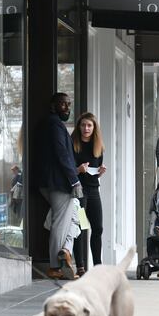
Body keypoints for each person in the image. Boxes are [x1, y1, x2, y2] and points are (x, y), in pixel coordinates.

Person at [36, 92, 84, 280]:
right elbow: (61, 154)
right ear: (53, 106)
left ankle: (66, 251)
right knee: (60, 222)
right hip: (58, 182)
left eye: (69, 104)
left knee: (73, 219)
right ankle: (55, 266)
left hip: (51, 181)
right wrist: (75, 180)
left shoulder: (51, 124)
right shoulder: (54, 124)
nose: (67, 108)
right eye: (63, 104)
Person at [71, 112, 107, 274]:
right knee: (82, 227)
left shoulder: (98, 147)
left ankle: (98, 266)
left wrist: (100, 172)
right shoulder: (73, 145)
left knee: (98, 228)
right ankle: (80, 266)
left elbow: (95, 171)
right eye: (83, 125)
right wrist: (78, 170)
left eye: (89, 125)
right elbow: (67, 170)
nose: (86, 128)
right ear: (79, 127)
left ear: (94, 128)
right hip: (79, 191)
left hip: (93, 191)